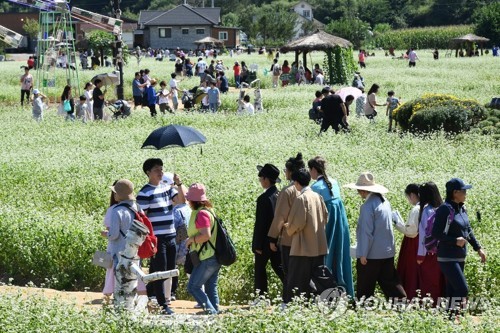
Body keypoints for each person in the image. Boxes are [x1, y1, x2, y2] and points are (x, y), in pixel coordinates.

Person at [345, 172, 407, 300]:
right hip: (387, 252)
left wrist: (363, 253)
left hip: (372, 254)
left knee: (365, 287)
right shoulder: (384, 202)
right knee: (390, 283)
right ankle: (402, 305)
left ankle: (363, 309)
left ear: (362, 190)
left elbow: (366, 232)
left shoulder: (367, 206)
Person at [137, 158, 185, 315]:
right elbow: (141, 217)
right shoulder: (144, 193)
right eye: (157, 169)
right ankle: (162, 304)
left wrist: (178, 183)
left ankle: (164, 300)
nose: (161, 172)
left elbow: (181, 201)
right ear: (148, 173)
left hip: (171, 235)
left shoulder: (166, 188)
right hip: (157, 238)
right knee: (160, 270)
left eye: (161, 169)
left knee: (170, 269)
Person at [432, 178, 486, 314]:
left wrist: (478, 248)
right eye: (463, 191)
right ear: (455, 192)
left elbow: (468, 231)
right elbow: (436, 233)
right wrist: (454, 241)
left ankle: (448, 319)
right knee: (462, 289)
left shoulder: (461, 208)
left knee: (452, 290)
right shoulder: (444, 209)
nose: (466, 194)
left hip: (459, 256)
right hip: (447, 256)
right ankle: (451, 316)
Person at [308, 157, 353, 297]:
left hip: (326, 225)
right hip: (340, 224)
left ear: (314, 170)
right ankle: (344, 290)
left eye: (310, 170)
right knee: (340, 254)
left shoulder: (315, 188)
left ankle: (327, 292)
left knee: (326, 256)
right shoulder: (334, 182)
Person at [284, 168, 328, 303]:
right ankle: (314, 303)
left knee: (296, 278)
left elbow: (298, 222)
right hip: (318, 245)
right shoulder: (317, 196)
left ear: (296, 183)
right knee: (314, 277)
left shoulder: (301, 198)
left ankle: (290, 304)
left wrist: (288, 228)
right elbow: (326, 216)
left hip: (303, 247)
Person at [268, 153, 304, 305]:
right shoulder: (307, 190)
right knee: (302, 272)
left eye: (285, 170)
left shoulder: (287, 191)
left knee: (289, 272)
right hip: (305, 238)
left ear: (290, 172)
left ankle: (288, 301)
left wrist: (272, 237)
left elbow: (280, 217)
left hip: (289, 239)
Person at [185, 183, 221, 315]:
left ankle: (211, 312)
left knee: (193, 287)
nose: (187, 201)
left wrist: (191, 240)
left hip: (207, 257)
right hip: (214, 256)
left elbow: (205, 235)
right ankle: (215, 315)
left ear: (193, 200)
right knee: (211, 287)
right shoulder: (209, 211)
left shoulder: (201, 214)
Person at [253, 164, 284, 297]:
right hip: (278, 239)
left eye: (261, 179)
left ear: (266, 179)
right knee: (279, 267)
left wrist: (257, 245)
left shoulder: (263, 199)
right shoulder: (281, 195)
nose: (260, 181)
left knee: (260, 269)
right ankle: (293, 292)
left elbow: (260, 224)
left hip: (265, 241)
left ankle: (261, 297)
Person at [416, 182, 445, 304]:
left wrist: (420, 255)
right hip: (446, 251)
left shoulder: (427, 211)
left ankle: (432, 306)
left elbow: (423, 235)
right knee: (442, 280)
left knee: (430, 281)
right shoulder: (444, 209)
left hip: (430, 253)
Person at [393, 183, 420, 300]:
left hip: (413, 244)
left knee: (411, 271)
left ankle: (410, 295)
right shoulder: (428, 206)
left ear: (412, 195)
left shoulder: (416, 209)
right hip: (421, 243)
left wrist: (397, 223)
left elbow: (411, 231)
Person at [101, 180, 119, 298]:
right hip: (130, 246)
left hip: (113, 244)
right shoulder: (135, 207)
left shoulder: (112, 209)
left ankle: (109, 292)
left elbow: (109, 230)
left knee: (111, 268)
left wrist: (105, 234)